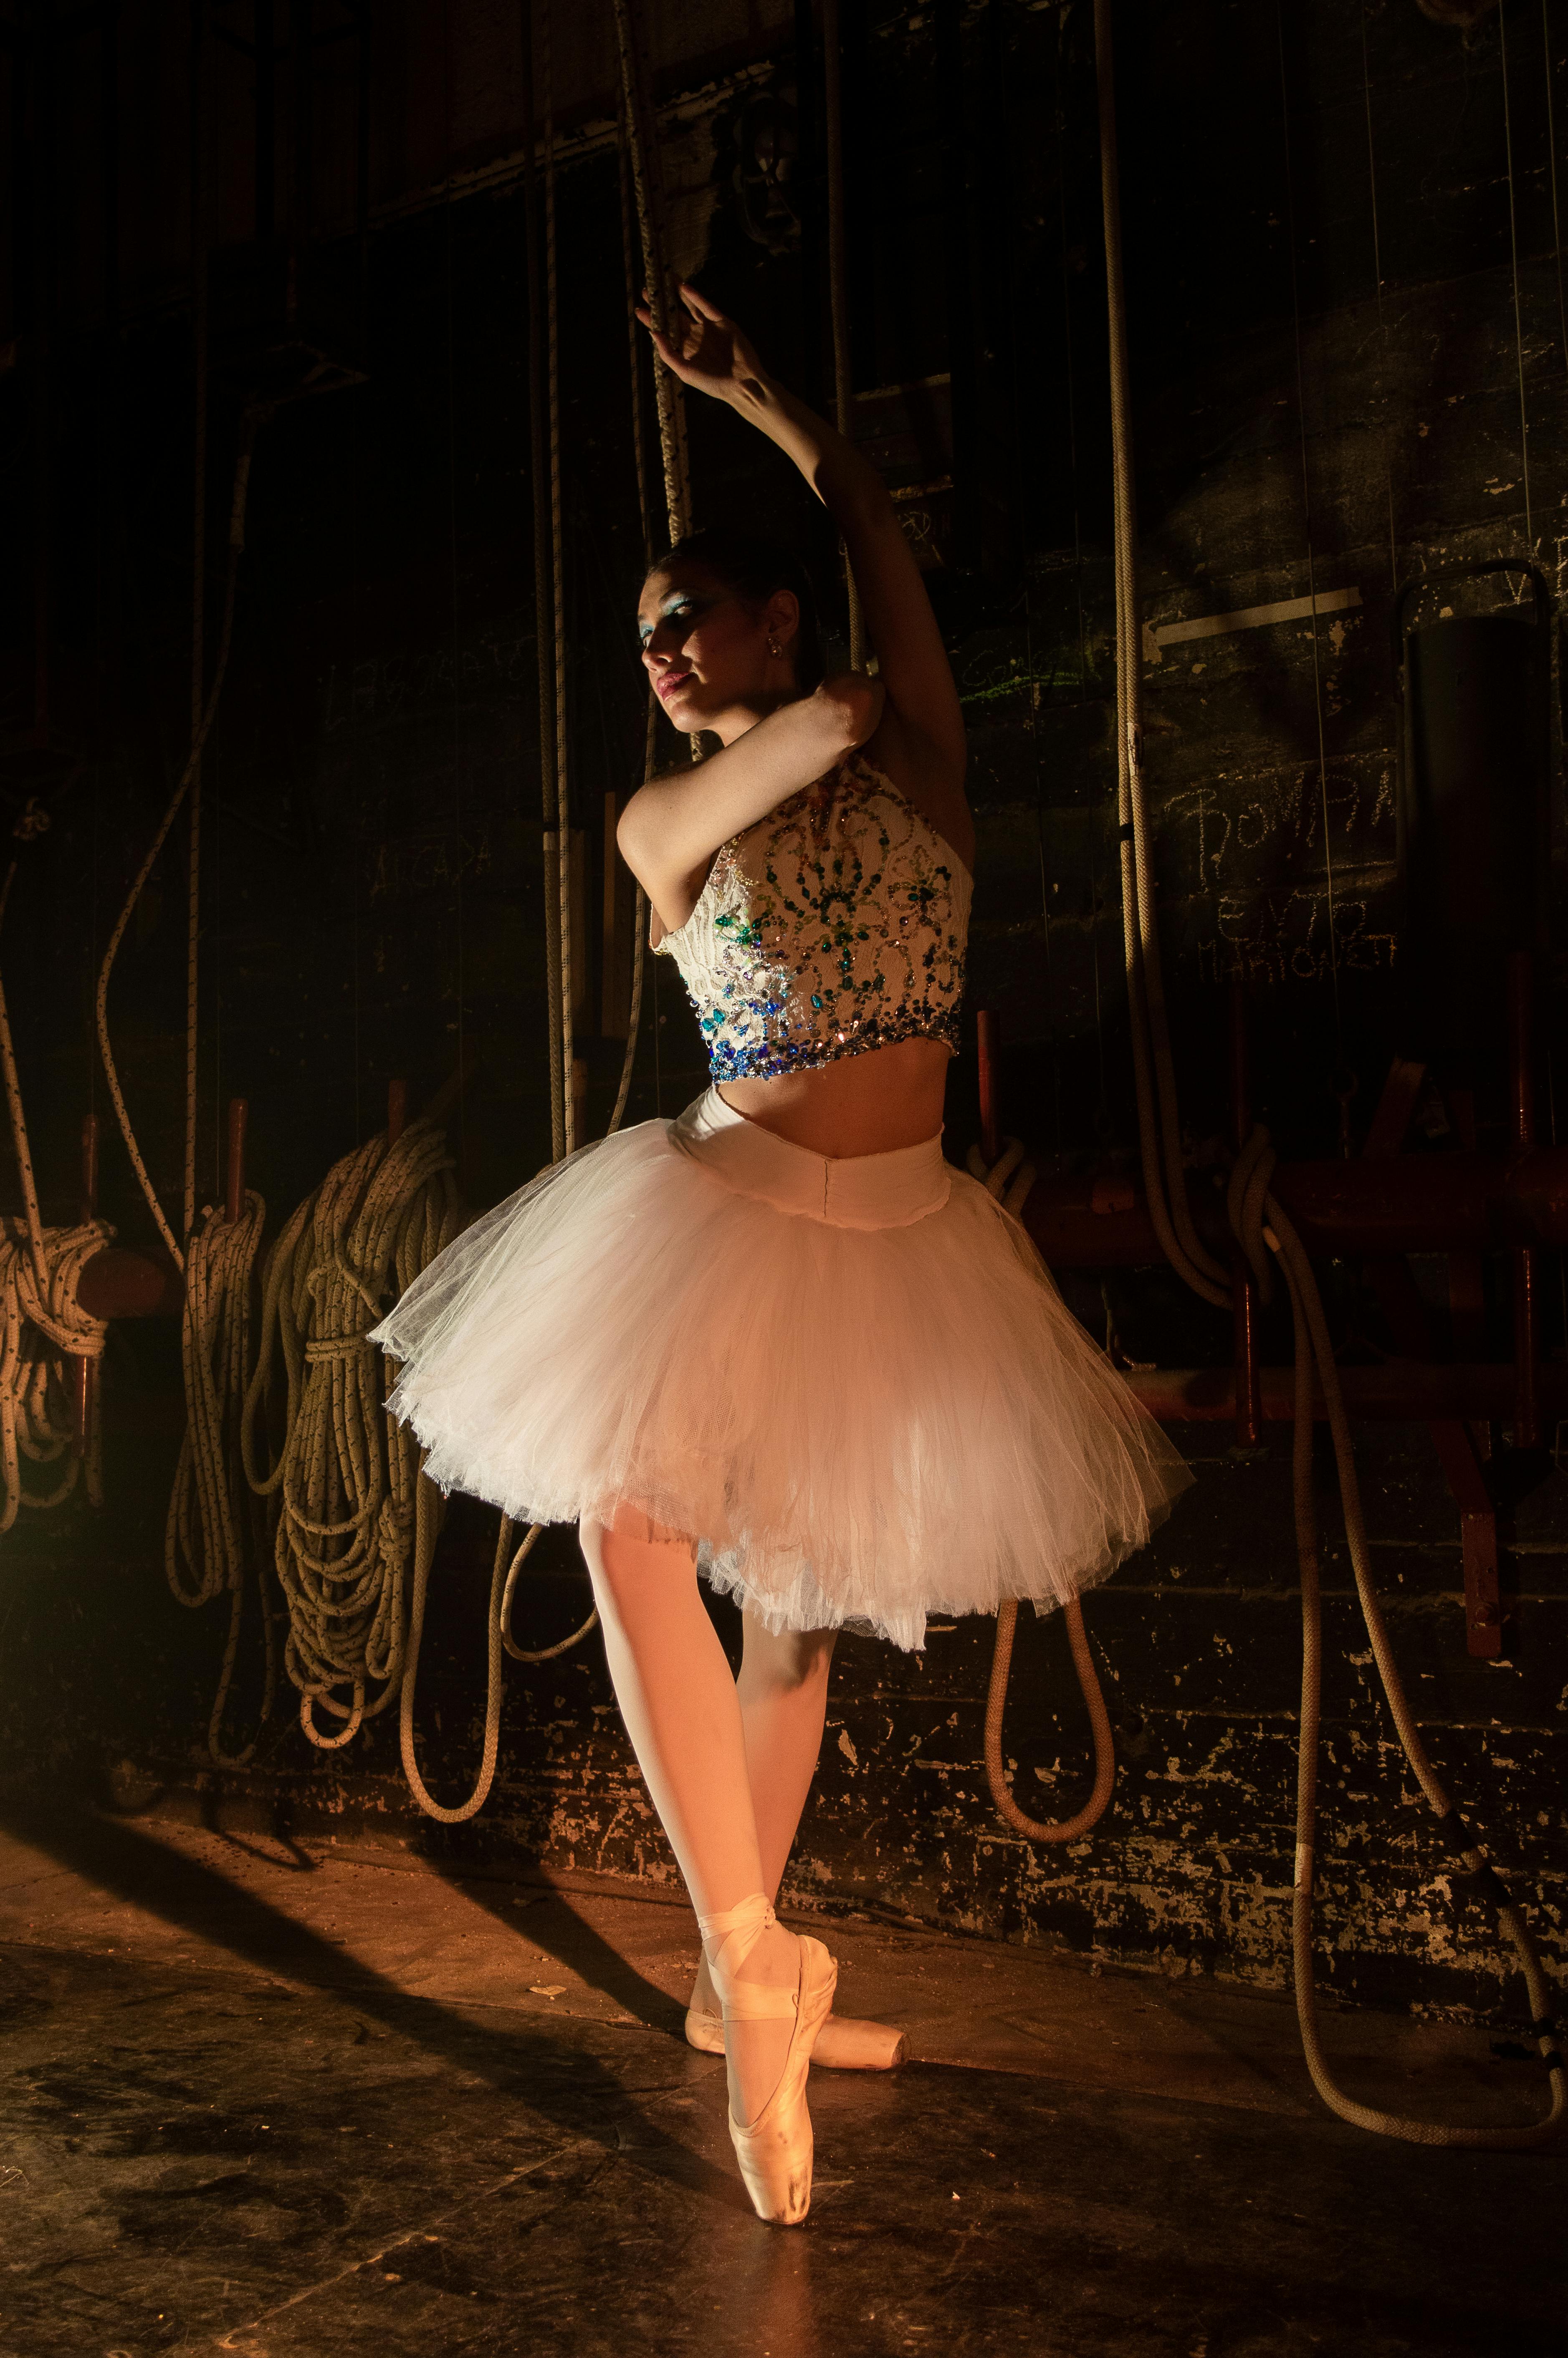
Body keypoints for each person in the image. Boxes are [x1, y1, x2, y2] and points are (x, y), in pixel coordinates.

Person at [372, 283, 1191, 2228]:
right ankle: (749, 1959)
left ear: (775, 610)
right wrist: (804, 684)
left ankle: (751, 1965)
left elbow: (881, 544)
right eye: (642, 629)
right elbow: (815, 721)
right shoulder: (670, 815)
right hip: (723, 1204)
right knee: (629, 1519)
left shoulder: (926, 775)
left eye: (689, 618)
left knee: (800, 1606)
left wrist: (767, 402)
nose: (657, 651)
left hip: (899, 1229)